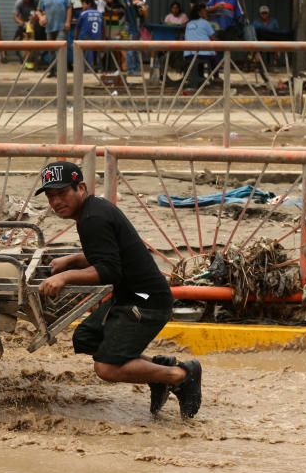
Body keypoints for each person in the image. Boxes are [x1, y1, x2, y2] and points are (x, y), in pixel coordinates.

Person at [35, 161, 202, 419]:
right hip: (133, 296)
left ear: (80, 187)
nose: (56, 202)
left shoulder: (93, 218)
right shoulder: (92, 211)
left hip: (147, 302)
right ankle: (158, 370)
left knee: (107, 368)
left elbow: (110, 271)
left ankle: (181, 375)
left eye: (62, 193)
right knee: (87, 338)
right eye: (51, 196)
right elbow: (108, 254)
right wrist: (73, 260)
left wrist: (66, 277)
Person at [37, 0, 71, 76]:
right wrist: (41, 17)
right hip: (49, 27)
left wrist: (68, 22)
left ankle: (60, 72)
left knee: (58, 48)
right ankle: (52, 71)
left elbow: (69, 8)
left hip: (61, 27)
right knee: (51, 50)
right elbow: (38, 10)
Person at [184, 3, 217, 88]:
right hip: (203, 54)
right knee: (215, 56)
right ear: (199, 13)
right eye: (204, 11)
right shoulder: (205, 23)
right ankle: (216, 77)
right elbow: (214, 38)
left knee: (198, 59)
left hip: (188, 54)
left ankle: (200, 78)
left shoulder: (188, 24)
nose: (206, 13)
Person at [125, 0, 148, 75]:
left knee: (138, 48)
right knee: (130, 48)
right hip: (130, 25)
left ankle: (137, 69)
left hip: (139, 25)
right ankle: (131, 69)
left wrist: (143, 10)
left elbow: (145, 14)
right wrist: (135, 4)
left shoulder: (142, 0)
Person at [75, 0, 104, 69]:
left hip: (85, 36)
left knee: (85, 54)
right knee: (96, 53)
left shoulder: (83, 13)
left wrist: (75, 38)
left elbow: (77, 27)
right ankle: (97, 67)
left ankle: (86, 68)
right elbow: (103, 27)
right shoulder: (99, 13)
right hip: (97, 37)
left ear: (89, 4)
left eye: (83, 4)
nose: (82, 6)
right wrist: (103, 38)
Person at [13, 0, 37, 68]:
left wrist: (34, 20)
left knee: (32, 44)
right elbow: (15, 17)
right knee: (15, 42)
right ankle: (22, 59)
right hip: (23, 25)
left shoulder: (35, 2)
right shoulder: (19, 2)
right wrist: (22, 23)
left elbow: (39, 13)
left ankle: (32, 61)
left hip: (33, 26)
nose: (26, 0)